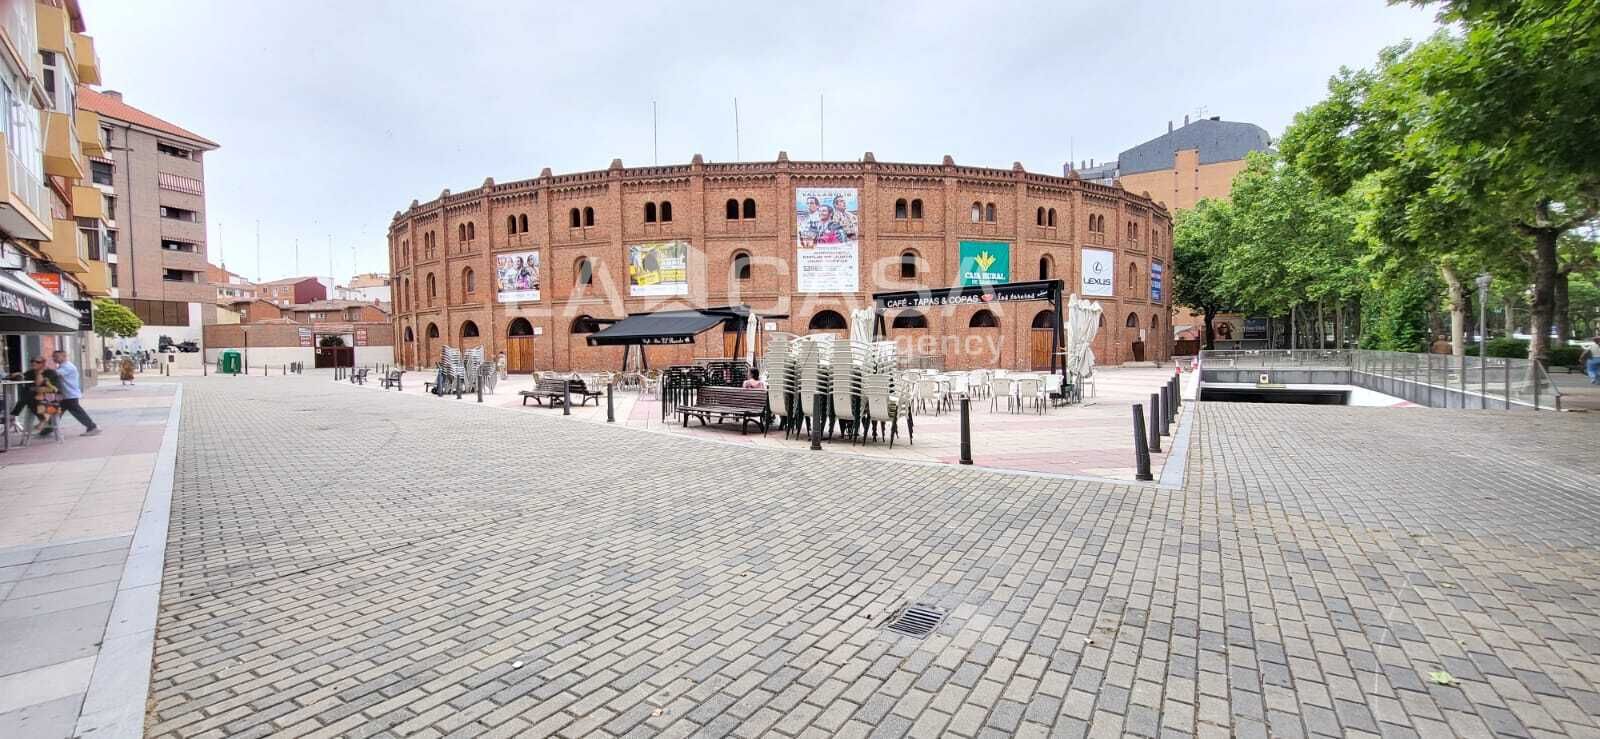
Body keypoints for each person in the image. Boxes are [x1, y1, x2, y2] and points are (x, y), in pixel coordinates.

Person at [51, 350, 100, 436]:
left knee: (77, 412)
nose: (54, 358)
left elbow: (54, 374)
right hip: (65, 395)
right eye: (53, 356)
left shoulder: (67, 367)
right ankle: (47, 430)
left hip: (70, 395)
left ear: (64, 356)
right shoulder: (62, 366)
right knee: (56, 412)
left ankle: (92, 427)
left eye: (56, 356)